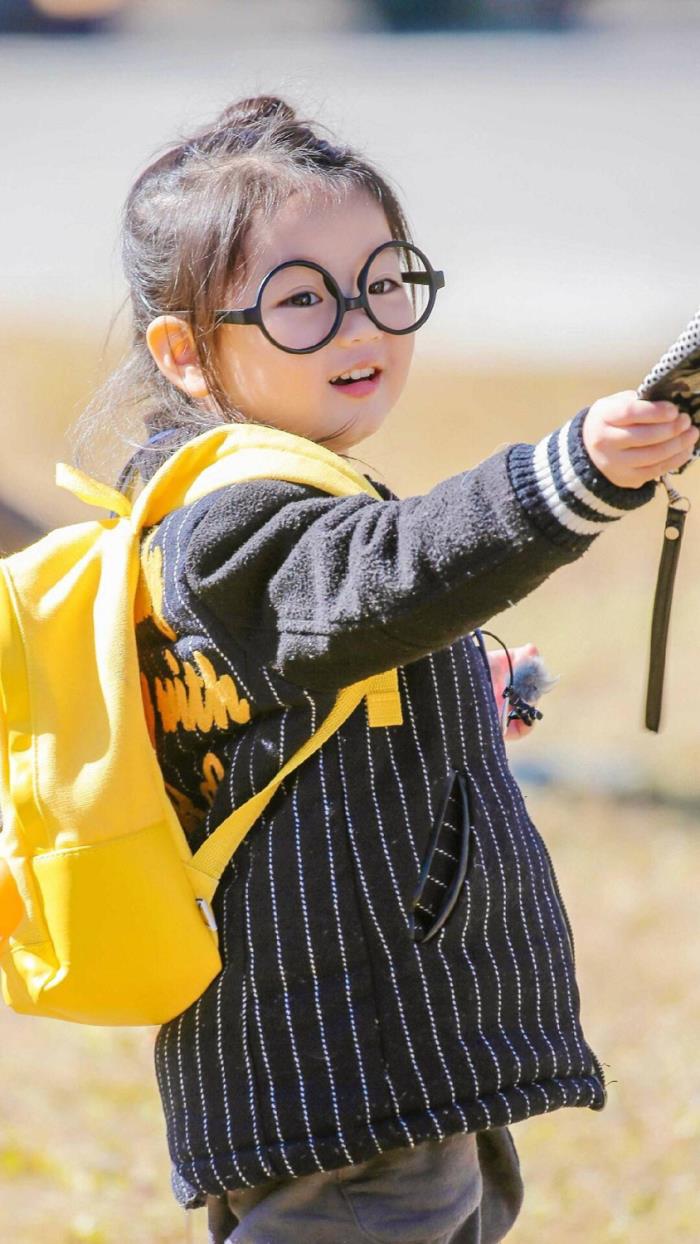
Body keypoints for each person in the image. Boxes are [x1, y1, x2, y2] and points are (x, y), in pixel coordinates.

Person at [72, 94, 698, 1243]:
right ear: (186, 352)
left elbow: (298, 701)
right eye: (302, 298)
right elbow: (386, 574)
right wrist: (567, 473)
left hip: (351, 1032)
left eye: (380, 282)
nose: (357, 325)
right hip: (345, 1035)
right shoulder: (231, 520)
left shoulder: (247, 502)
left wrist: (455, 703)